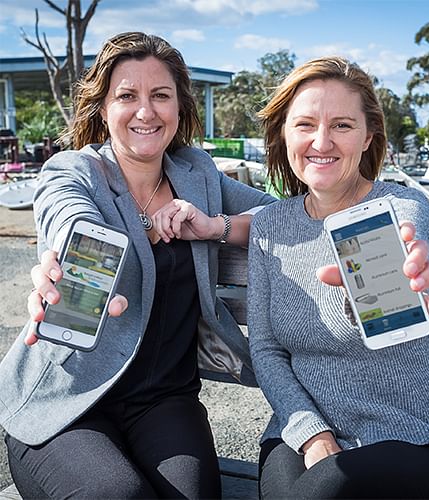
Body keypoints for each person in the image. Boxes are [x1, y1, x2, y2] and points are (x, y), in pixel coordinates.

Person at [0, 32, 275, 499]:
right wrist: (61, 262)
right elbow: (66, 219)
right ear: (102, 108)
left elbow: (285, 216)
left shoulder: (197, 174)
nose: (145, 111)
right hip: (66, 404)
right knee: (120, 495)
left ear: (179, 108)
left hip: (164, 400)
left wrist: (214, 226)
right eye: (127, 95)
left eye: (160, 96)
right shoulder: (72, 171)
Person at [247, 56, 429, 499]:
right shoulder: (269, 226)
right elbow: (265, 348)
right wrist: (311, 431)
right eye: (305, 124)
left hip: (416, 434)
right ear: (284, 133)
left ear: (368, 135)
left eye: (341, 125)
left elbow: (404, 269)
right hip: (305, 423)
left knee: (331, 486)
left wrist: (394, 282)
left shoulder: (401, 207)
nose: (322, 141)